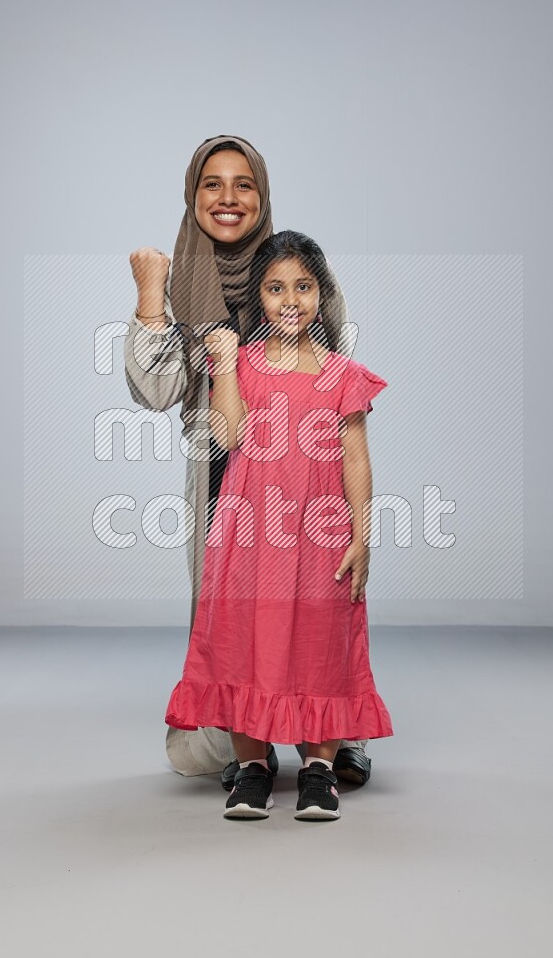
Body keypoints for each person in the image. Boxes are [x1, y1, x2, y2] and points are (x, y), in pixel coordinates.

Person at [124, 134, 374, 786]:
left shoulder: (297, 269)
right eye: (213, 183)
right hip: (221, 471)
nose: (228, 198)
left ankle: (333, 727)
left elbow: (337, 373)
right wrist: (153, 299)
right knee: (234, 613)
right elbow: (156, 391)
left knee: (320, 601)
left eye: (244, 185)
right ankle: (246, 745)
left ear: (261, 196)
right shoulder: (176, 280)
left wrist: (349, 512)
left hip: (305, 471)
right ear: (193, 194)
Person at [164, 231, 393, 820]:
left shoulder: (343, 373)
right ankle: (255, 767)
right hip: (249, 535)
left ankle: (318, 769)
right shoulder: (238, 362)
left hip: (319, 535)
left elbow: (356, 457)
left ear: (321, 294)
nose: (290, 299)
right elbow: (231, 435)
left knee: (319, 643)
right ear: (258, 298)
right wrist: (222, 364)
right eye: (275, 288)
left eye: (303, 286)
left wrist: (361, 537)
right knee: (246, 642)